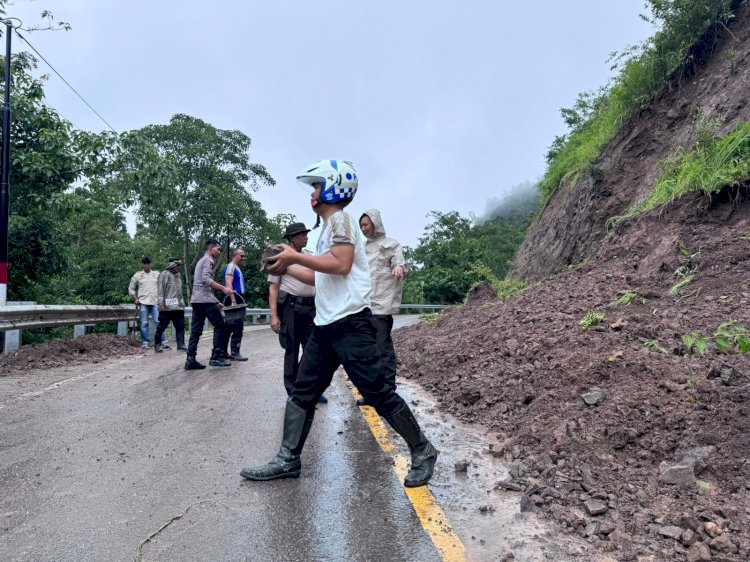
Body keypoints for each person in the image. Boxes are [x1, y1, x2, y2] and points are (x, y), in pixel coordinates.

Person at [241, 159, 437, 488]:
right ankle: (288, 459)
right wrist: (284, 263)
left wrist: (294, 256)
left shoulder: (342, 220)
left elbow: (342, 264)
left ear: (333, 187)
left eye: (317, 186)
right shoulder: (325, 233)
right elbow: (319, 277)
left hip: (352, 325)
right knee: (302, 393)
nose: (313, 193)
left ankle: (423, 450)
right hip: (326, 325)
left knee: (378, 392)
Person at [268, 222, 327, 404]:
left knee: (312, 350)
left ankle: (308, 389)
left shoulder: (307, 256)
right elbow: (273, 288)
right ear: (293, 238)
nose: (306, 237)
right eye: (302, 234)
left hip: (310, 308)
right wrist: (274, 316)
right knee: (292, 350)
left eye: (306, 234)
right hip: (291, 308)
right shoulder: (281, 257)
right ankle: (292, 391)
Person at [356, 209, 407, 406]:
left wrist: (399, 267)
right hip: (363, 306)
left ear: (376, 223)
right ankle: (371, 392)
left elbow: (399, 262)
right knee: (366, 352)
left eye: (366, 224)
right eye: (361, 226)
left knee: (382, 349)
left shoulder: (392, 244)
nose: (363, 228)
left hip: (382, 306)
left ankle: (387, 390)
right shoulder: (361, 248)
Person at [185, 239, 234, 370]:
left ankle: (190, 360)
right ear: (211, 248)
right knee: (220, 326)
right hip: (205, 301)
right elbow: (206, 280)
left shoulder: (201, 260)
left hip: (197, 300)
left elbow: (203, 287)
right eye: (217, 249)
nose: (219, 251)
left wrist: (217, 302)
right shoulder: (208, 260)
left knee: (195, 331)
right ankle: (216, 357)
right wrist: (223, 288)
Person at [128, 256, 168, 349]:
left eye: (148, 263)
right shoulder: (137, 275)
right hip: (143, 302)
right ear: (142, 264)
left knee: (159, 321)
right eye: (145, 263)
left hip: (155, 301)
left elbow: (163, 286)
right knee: (144, 323)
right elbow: (131, 288)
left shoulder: (157, 274)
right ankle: (145, 342)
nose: (146, 265)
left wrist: (162, 299)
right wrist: (135, 298)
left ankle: (163, 341)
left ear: (151, 264)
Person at [154, 258, 188, 353]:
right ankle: (157, 345)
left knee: (180, 325)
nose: (179, 267)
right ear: (172, 265)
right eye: (177, 265)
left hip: (178, 306)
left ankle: (181, 345)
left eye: (179, 265)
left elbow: (180, 291)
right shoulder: (164, 274)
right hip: (166, 306)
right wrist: (160, 302)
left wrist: (182, 304)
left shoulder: (178, 275)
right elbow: (160, 289)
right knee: (162, 326)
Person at [223, 248, 249, 362]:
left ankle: (226, 352)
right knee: (236, 327)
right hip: (234, 299)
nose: (243, 258)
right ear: (235, 256)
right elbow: (228, 284)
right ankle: (235, 352)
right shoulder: (231, 267)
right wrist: (233, 300)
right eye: (241, 256)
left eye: (244, 256)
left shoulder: (236, 268)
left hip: (238, 298)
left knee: (230, 326)